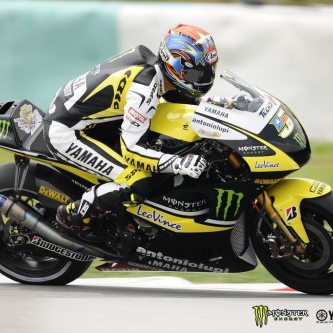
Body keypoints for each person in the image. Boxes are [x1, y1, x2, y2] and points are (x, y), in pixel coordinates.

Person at [43, 24, 218, 228]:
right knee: (138, 183)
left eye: (207, 73)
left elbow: (186, 101)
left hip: (86, 117)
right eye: (197, 75)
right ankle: (70, 216)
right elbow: (131, 150)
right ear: (175, 66)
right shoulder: (144, 91)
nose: (203, 80)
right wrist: (178, 163)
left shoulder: (156, 70)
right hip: (66, 131)